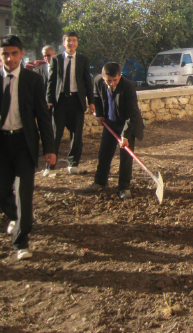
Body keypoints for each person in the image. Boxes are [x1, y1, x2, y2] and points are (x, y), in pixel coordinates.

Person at [1, 35, 56, 260]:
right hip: (2, 145)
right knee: (3, 192)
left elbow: (43, 116)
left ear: (22, 54)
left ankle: (21, 242)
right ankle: (15, 216)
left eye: (14, 53)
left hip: (24, 143)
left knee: (24, 193)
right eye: (5, 53)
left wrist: (49, 149)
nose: (10, 58)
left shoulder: (32, 80)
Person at [81, 62, 144, 199]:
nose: (112, 83)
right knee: (104, 153)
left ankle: (124, 187)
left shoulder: (128, 86)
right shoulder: (98, 81)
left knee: (126, 157)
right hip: (110, 122)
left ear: (120, 76)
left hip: (127, 124)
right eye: (109, 80)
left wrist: (125, 135)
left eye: (115, 80)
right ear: (103, 77)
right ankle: (100, 182)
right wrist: (100, 114)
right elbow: (96, 96)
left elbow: (132, 114)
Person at [45, 31, 95, 175]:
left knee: (76, 135)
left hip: (76, 101)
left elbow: (87, 82)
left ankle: (73, 163)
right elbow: (51, 81)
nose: (71, 43)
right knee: (55, 134)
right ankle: (50, 166)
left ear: (77, 43)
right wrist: (49, 100)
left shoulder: (83, 60)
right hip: (60, 101)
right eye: (68, 40)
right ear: (64, 43)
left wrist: (91, 101)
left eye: (74, 40)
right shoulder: (56, 60)